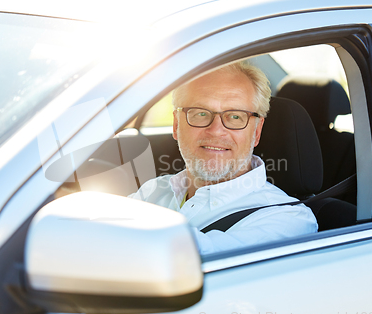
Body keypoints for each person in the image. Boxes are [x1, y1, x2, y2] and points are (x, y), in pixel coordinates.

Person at [129, 61, 318, 255]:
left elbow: (192, 258)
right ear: (176, 125)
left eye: (235, 117)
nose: (216, 130)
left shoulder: (289, 220)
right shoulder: (154, 190)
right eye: (201, 113)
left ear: (257, 132)